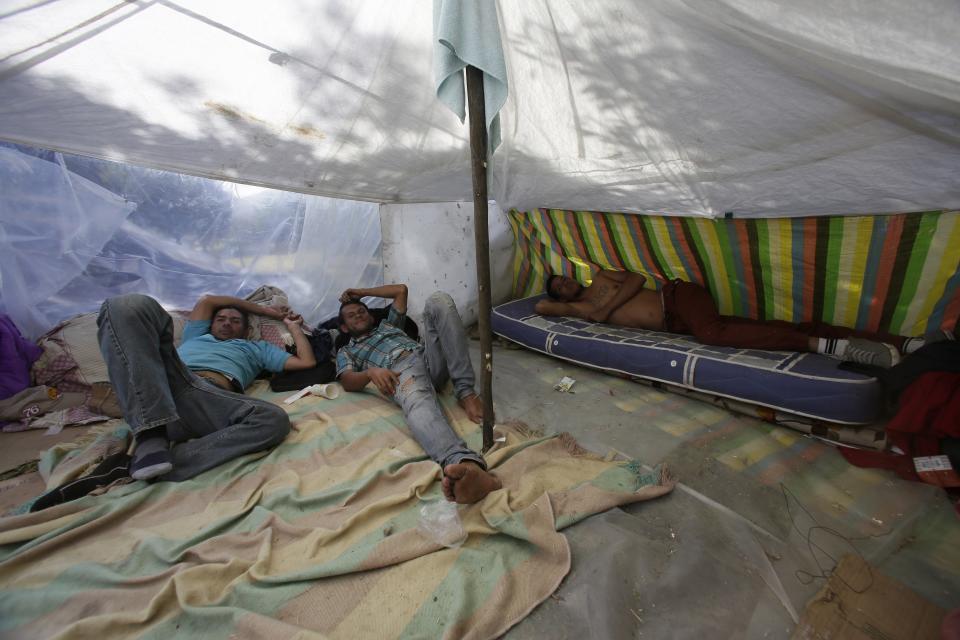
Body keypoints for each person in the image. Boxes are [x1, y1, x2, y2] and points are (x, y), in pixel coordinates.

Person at [97, 293, 317, 481]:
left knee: (273, 420)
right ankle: (150, 433)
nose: (227, 323)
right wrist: (268, 311)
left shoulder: (256, 348)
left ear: (247, 329)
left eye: (235, 321)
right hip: (162, 384)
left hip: (205, 396)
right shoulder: (196, 335)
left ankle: (146, 464)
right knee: (125, 305)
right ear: (210, 323)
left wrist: (293, 326)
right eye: (221, 319)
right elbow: (209, 301)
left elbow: (307, 362)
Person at [537, 271, 951, 368]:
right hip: (678, 324)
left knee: (715, 335)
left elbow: (639, 278)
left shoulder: (602, 280)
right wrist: (582, 308)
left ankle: (823, 347)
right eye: (560, 285)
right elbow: (540, 309)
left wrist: (605, 309)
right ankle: (905, 342)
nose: (568, 283)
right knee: (780, 326)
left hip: (677, 296)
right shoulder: (575, 309)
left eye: (567, 278)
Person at [335, 284, 501, 504]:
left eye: (362, 311)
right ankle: (464, 463)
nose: (358, 316)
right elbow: (347, 380)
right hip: (400, 371)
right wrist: (370, 373)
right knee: (417, 402)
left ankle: (465, 392)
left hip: (427, 356)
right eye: (351, 316)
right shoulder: (347, 350)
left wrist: (363, 293)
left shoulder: (387, 325)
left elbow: (401, 290)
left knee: (438, 299)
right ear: (344, 328)